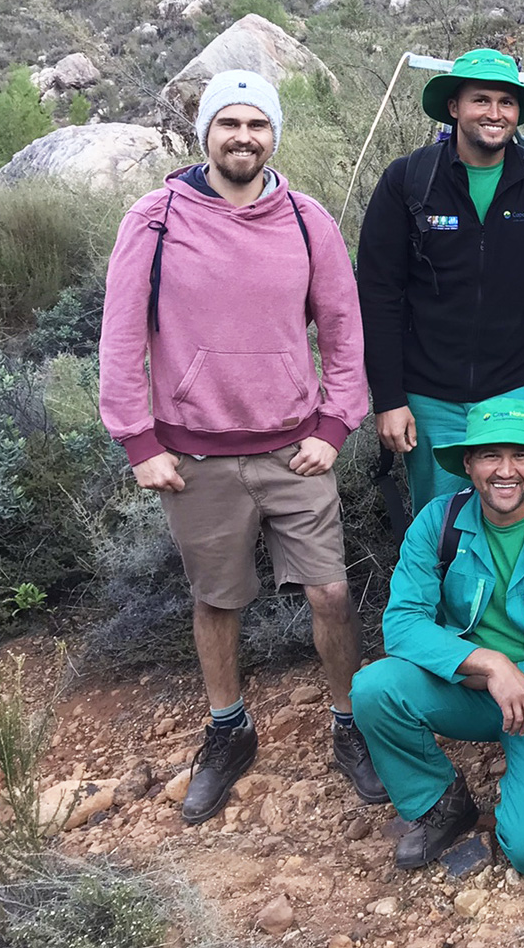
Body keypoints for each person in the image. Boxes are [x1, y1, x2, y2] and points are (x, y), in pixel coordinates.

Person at [98, 69, 381, 823]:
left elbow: (345, 329)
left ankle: (350, 724)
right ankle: (228, 730)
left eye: (258, 125)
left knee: (329, 593)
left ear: (274, 135)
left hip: (295, 450)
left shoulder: (305, 219)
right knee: (217, 599)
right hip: (194, 457)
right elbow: (122, 336)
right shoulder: (155, 218)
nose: (244, 138)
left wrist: (334, 424)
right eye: (231, 124)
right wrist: (139, 441)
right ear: (207, 134)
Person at [350, 401, 524, 874]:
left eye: (520, 455)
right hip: (475, 687)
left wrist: (519, 675)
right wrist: (490, 666)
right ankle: (441, 803)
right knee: (375, 689)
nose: (506, 470)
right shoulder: (438, 524)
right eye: (489, 456)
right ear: (467, 464)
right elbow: (402, 624)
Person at [357, 48, 524, 512]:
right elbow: (378, 297)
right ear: (454, 107)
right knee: (448, 528)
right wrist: (388, 398)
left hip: (517, 387)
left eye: (506, 103)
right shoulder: (409, 182)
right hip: (430, 397)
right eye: (480, 100)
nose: (494, 113)